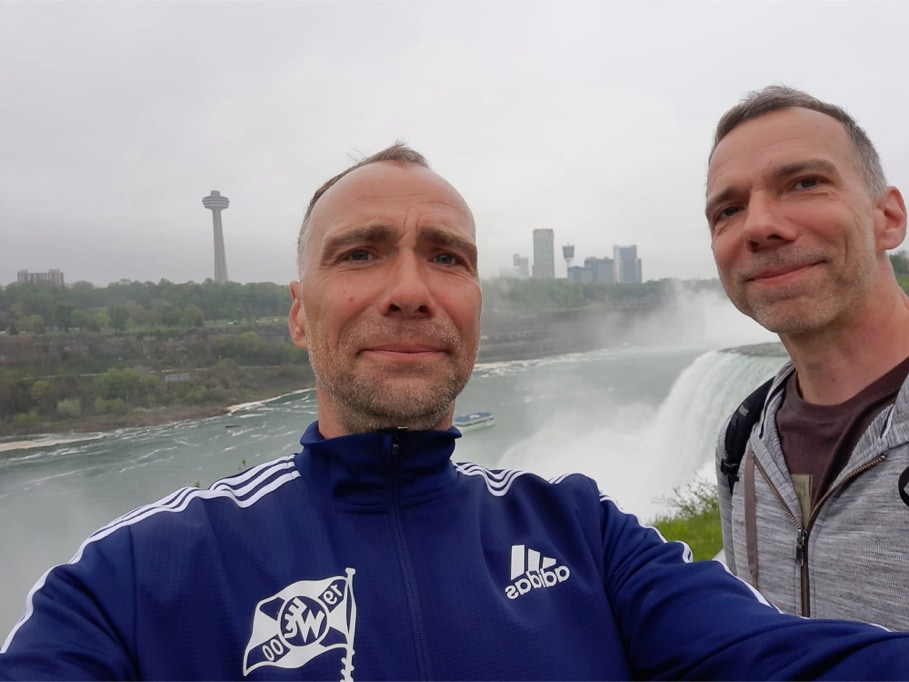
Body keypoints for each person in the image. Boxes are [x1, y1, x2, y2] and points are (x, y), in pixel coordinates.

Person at [5, 145, 909, 681]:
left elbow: (791, 661)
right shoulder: (132, 581)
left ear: (476, 304)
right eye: (360, 253)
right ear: (297, 313)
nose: (410, 290)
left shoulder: (585, 537)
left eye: (447, 257)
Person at [708, 85, 909, 629]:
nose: (758, 226)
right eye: (728, 210)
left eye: (804, 183)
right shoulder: (743, 440)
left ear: (889, 218)